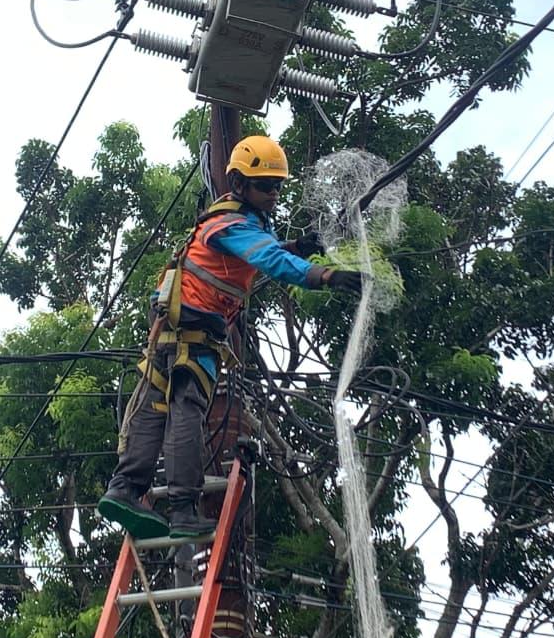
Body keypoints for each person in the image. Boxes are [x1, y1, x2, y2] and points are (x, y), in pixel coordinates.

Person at [97, 135, 363, 540]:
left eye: (278, 186)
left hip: (169, 329)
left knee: (154, 407)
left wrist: (299, 246)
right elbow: (268, 258)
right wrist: (325, 275)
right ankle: (184, 508)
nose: (274, 194)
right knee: (187, 409)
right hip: (194, 332)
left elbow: (261, 250)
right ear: (239, 184)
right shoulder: (233, 223)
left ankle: (125, 488)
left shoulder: (225, 222)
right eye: (266, 186)